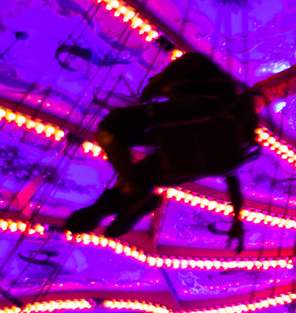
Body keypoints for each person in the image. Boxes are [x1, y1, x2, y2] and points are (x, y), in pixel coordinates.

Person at [67, 50, 261, 247]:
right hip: (180, 159)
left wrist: (157, 85)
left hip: (178, 140)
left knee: (111, 128)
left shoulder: (212, 101)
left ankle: (119, 199)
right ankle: (120, 202)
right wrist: (237, 217)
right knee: (140, 170)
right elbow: (232, 177)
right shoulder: (230, 135)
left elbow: (188, 67)